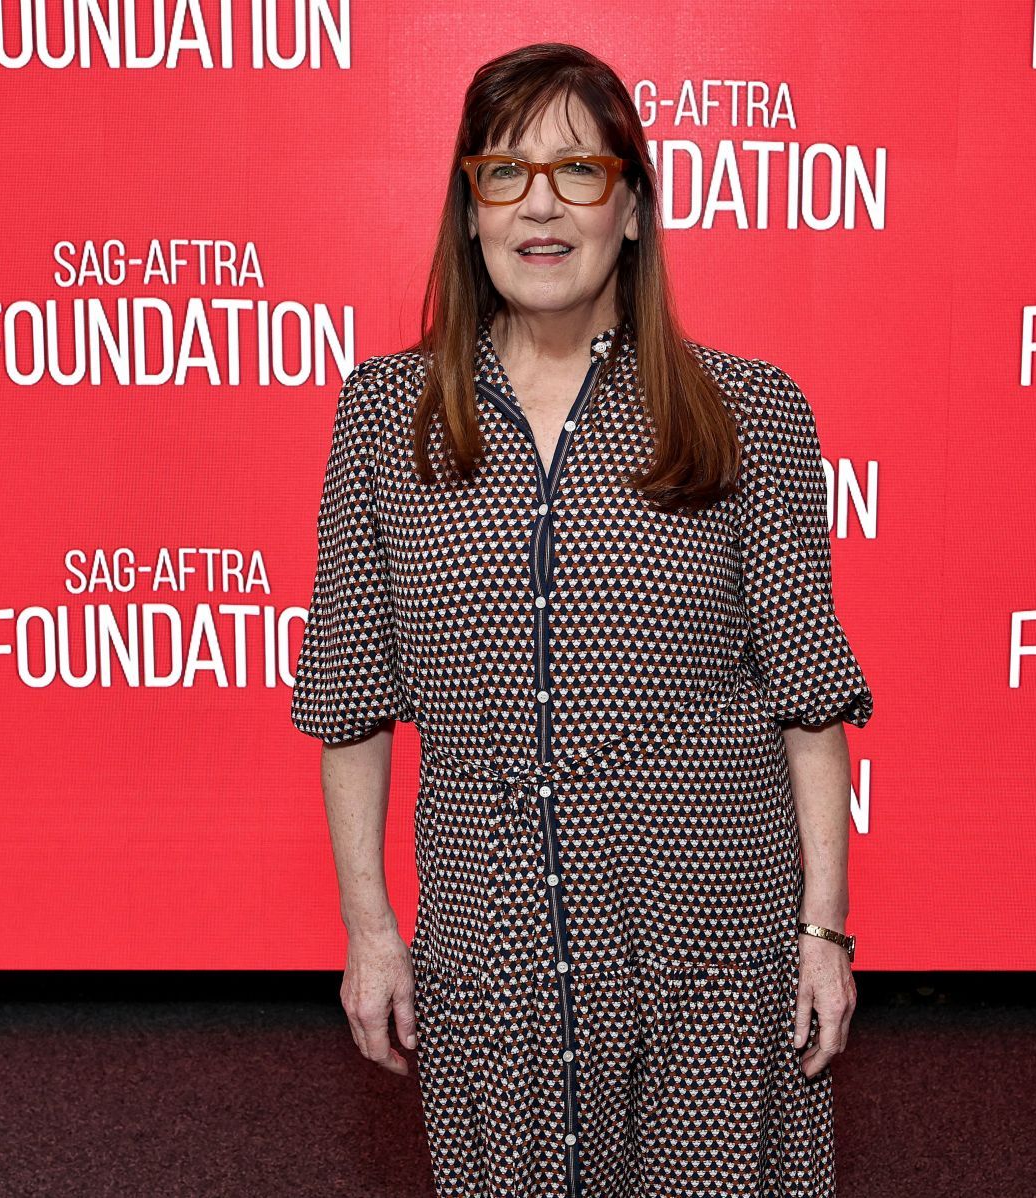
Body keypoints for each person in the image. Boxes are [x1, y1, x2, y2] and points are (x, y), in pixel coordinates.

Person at [290, 41, 873, 1198]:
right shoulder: (383, 421)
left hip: (712, 947)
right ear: (470, 210)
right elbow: (350, 697)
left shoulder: (746, 412)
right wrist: (370, 928)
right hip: (492, 951)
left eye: (579, 171)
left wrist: (826, 932)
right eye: (506, 173)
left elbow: (809, 697)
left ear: (636, 208)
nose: (541, 206)